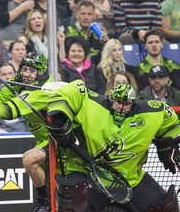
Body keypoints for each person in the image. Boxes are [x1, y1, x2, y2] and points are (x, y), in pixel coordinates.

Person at [47, 81, 180, 211]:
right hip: (86, 172)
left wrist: (167, 146)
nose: (122, 107)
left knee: (165, 207)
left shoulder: (151, 112)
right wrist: (60, 120)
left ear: (133, 103)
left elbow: (170, 121)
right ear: (111, 99)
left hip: (129, 178)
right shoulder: (92, 104)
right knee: (74, 203)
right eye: (118, 102)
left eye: (126, 103)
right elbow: (70, 91)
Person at [0, 52, 53, 211]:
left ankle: (45, 202)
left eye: (32, 71)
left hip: (58, 141)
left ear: (40, 72)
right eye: (25, 69)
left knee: (30, 160)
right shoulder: (19, 80)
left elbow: (12, 108)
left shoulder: (43, 89)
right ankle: (46, 201)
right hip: (44, 140)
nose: (27, 74)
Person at [58, 0, 109, 65]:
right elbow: (63, 60)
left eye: (89, 14)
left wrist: (105, 44)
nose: (86, 17)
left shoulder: (99, 34)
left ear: (94, 16)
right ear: (77, 15)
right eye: (83, 13)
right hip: (73, 71)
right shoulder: (68, 32)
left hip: (94, 72)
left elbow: (105, 60)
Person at [0, 62, 29, 133]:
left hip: (26, 137)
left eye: (10, 73)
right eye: (4, 74)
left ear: (16, 75)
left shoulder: (26, 95)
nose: (8, 77)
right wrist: (0, 132)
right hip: (1, 139)